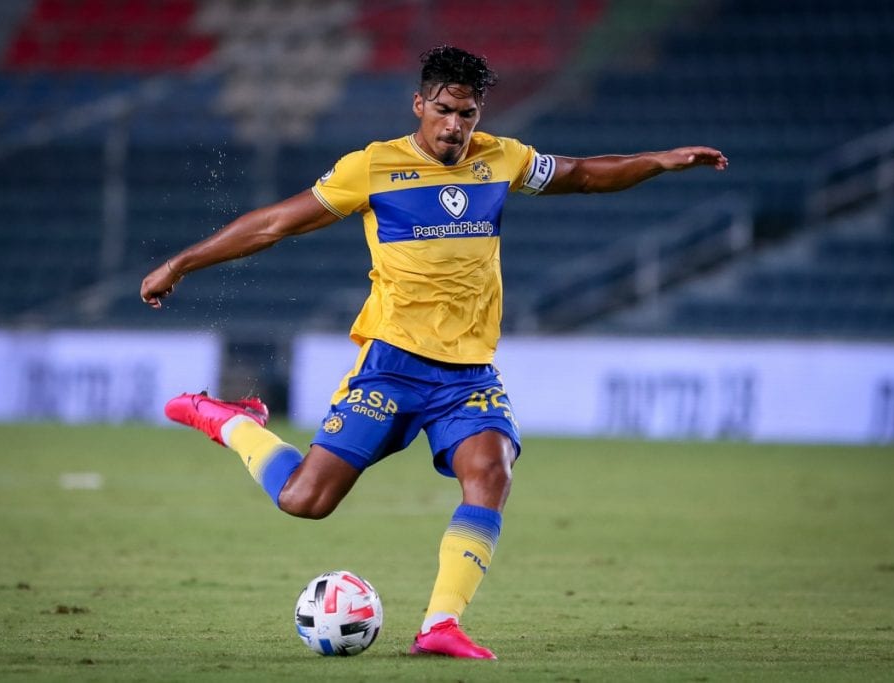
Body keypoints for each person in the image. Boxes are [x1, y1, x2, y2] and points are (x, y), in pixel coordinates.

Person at [140, 45, 727, 659]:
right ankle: (232, 421)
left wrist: (660, 160)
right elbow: (274, 224)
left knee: (491, 471)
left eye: (467, 114)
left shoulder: (501, 158)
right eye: (444, 111)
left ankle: (440, 624)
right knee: (304, 501)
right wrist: (180, 264)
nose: (454, 126)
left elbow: (581, 174)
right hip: (393, 366)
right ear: (419, 104)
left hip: (469, 374)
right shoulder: (373, 167)